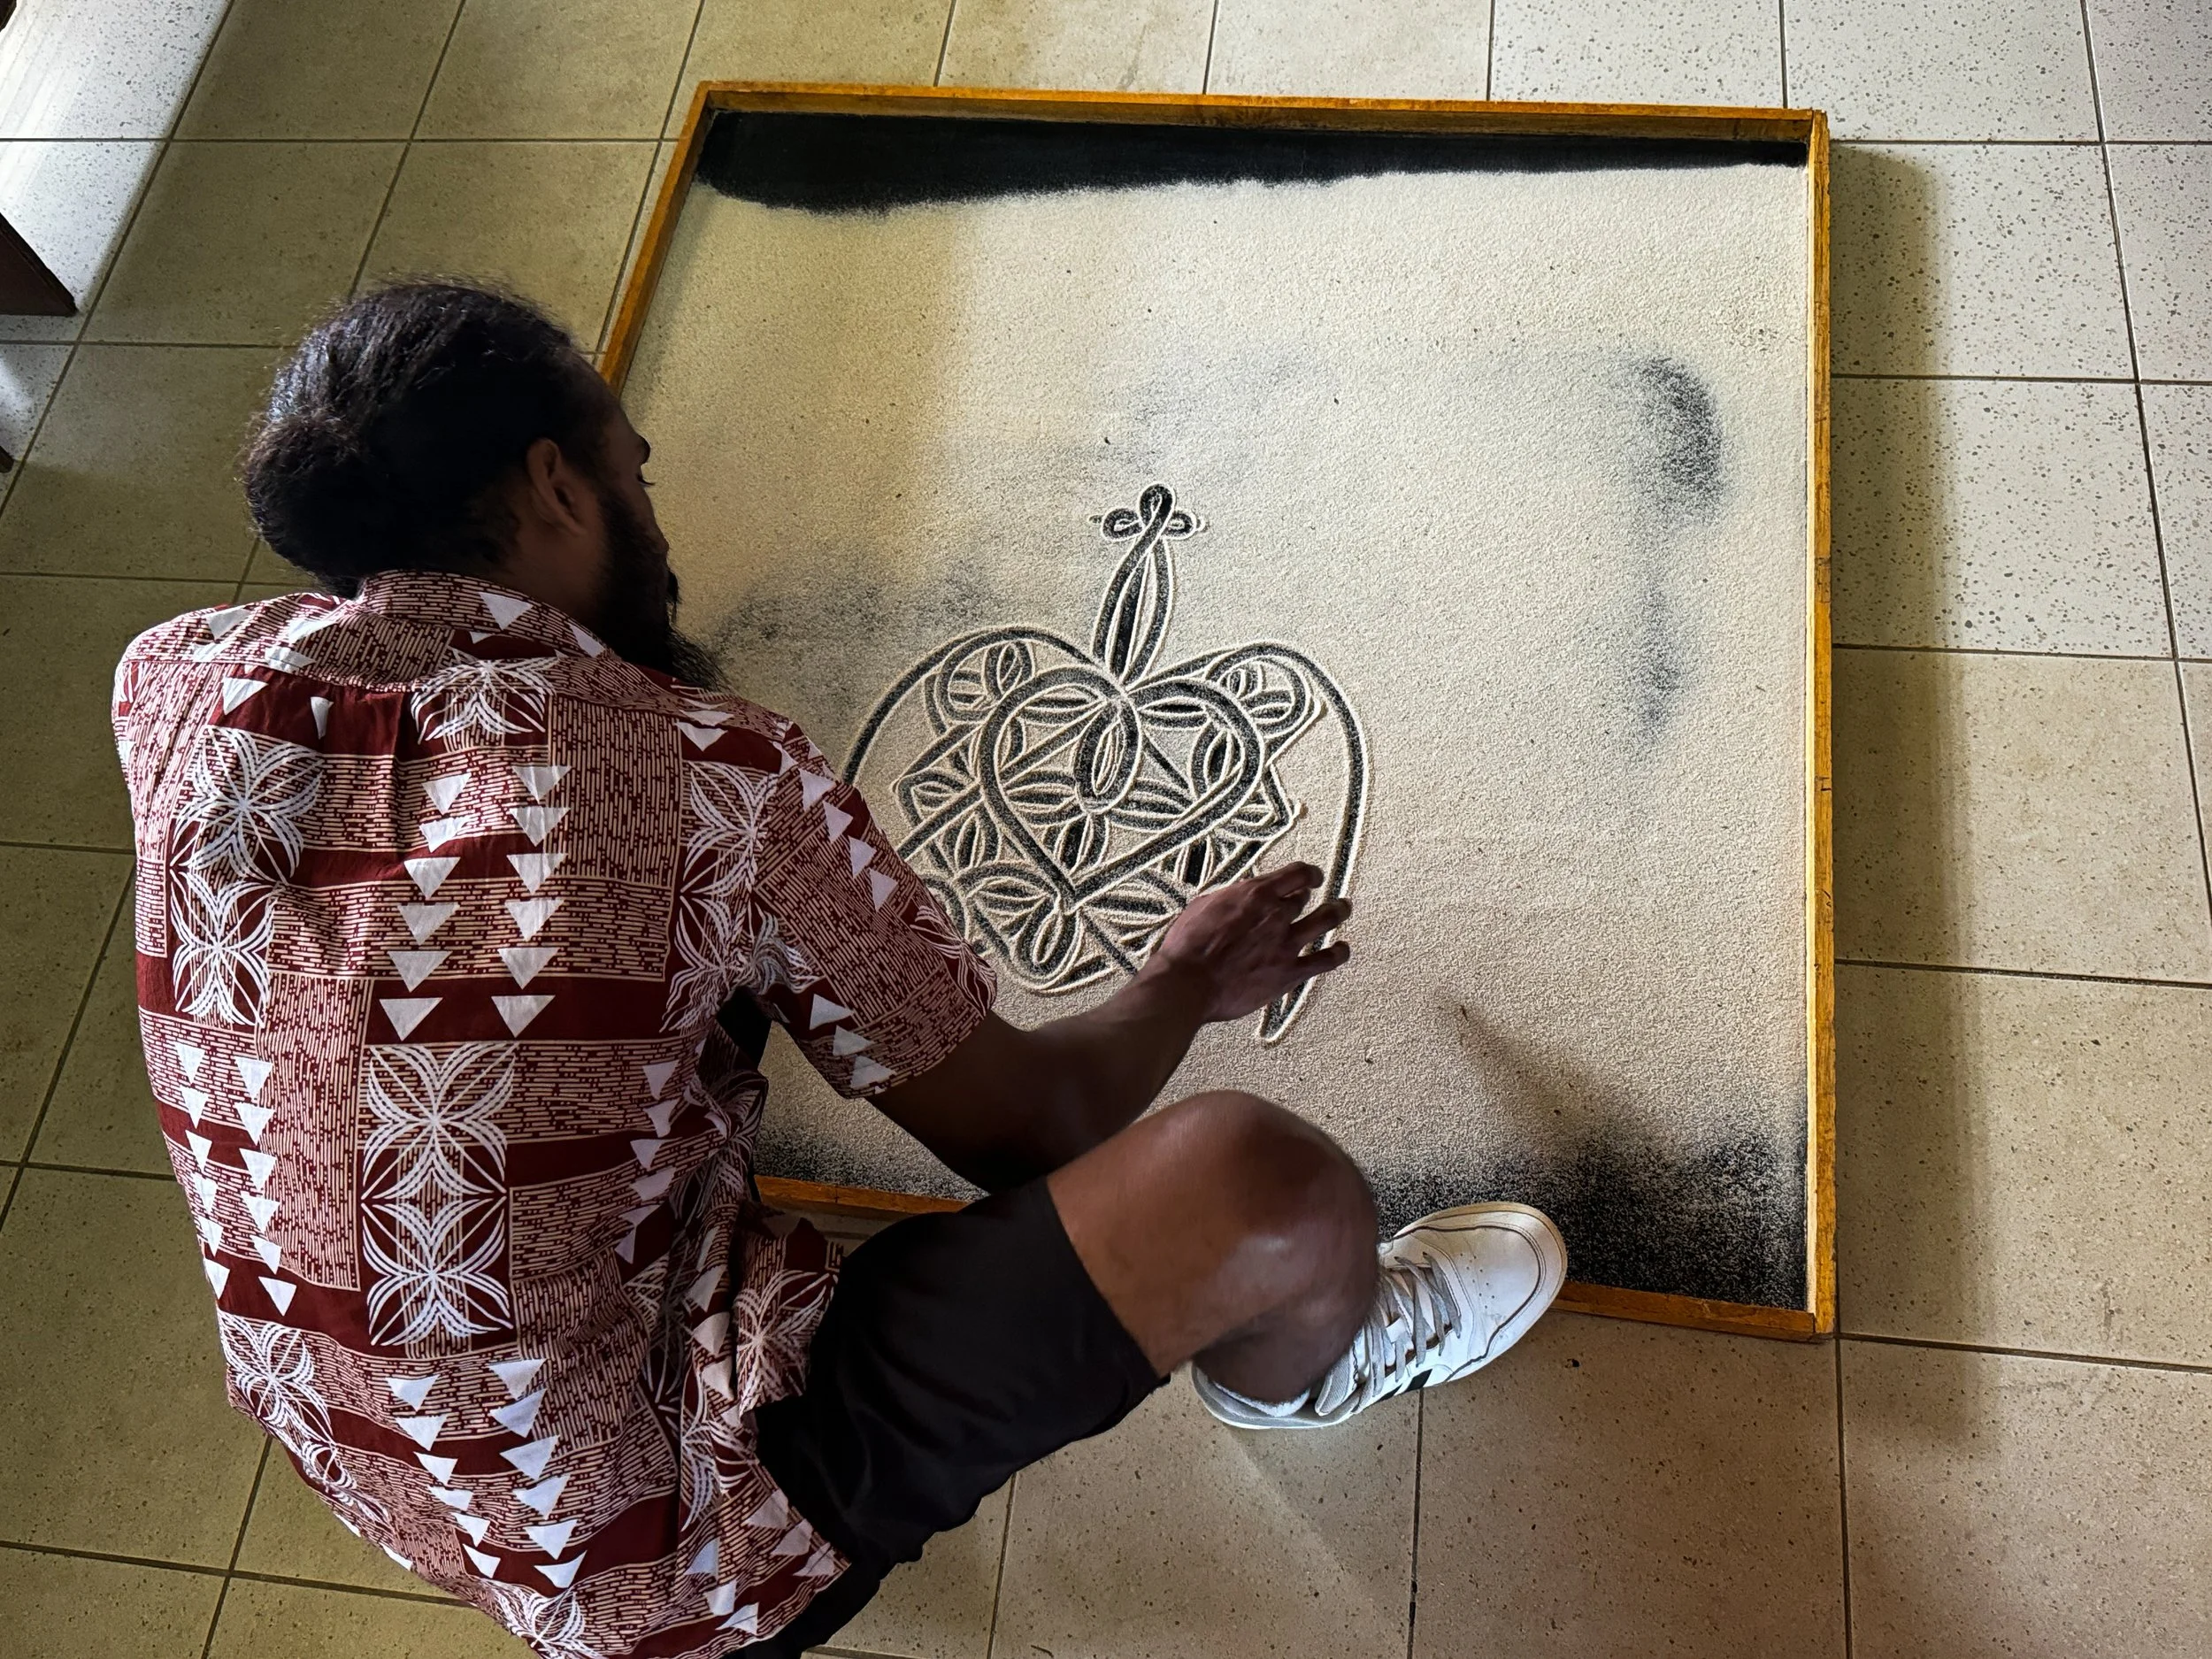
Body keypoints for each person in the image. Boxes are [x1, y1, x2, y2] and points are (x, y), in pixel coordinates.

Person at [112, 281, 1566, 1659]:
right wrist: (1182, 979)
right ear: (559, 487)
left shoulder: (166, 687)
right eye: (639, 472)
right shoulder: (699, 768)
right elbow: (1030, 1132)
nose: (656, 522)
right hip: (668, 1548)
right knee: (1260, 1184)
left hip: (374, 1465)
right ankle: (1303, 1371)